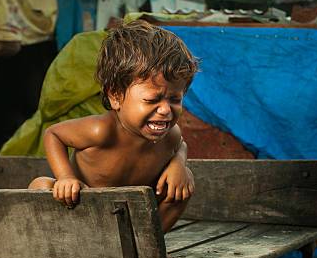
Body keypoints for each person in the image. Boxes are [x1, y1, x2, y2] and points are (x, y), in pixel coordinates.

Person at [29, 19, 199, 243]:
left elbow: (181, 144)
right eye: (152, 100)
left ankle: (147, 246)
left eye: (175, 99)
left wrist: (178, 164)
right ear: (115, 96)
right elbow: (53, 134)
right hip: (77, 211)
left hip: (128, 220)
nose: (165, 110)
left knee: (185, 178)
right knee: (41, 185)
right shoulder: (101, 130)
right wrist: (66, 178)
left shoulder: (171, 135)